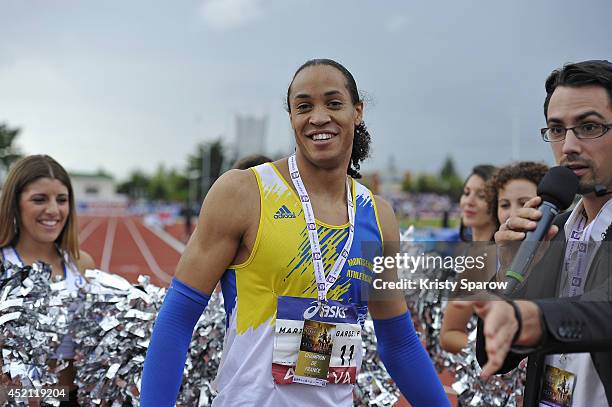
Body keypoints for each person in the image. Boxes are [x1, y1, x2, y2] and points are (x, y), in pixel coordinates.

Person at [141, 59, 449, 406]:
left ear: (357, 111)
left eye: (334, 103)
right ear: (291, 117)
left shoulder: (377, 216)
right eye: (304, 106)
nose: (318, 117)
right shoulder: (245, 193)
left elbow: (399, 341)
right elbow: (177, 320)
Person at [463, 60, 612, 406]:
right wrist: (508, 272)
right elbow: (493, 358)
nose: (569, 146)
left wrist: (534, 317)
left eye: (589, 127)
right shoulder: (548, 230)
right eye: (557, 130)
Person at [0, 154, 96, 407]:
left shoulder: (81, 263)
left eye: (62, 200)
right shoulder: (2, 264)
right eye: (39, 199)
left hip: (74, 399)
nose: (53, 210)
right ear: (15, 204)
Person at [440, 164, 498, 353]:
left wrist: (496, 352)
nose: (469, 201)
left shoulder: (489, 257)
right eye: (466, 193)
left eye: (481, 196)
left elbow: (449, 335)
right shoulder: (468, 252)